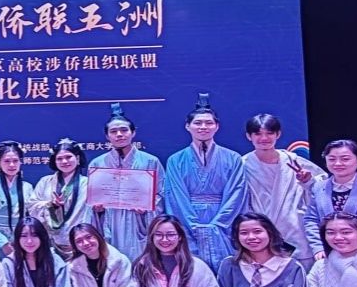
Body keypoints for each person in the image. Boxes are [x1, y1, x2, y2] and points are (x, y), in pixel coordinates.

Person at [164, 95, 247, 273]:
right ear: (188, 126)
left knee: (227, 272)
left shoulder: (233, 158)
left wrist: (218, 224)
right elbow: (176, 197)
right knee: (192, 274)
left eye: (209, 123)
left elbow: (237, 193)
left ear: (217, 126)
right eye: (198, 123)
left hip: (223, 223)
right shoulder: (175, 160)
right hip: (188, 224)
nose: (203, 127)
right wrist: (193, 226)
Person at [241, 114, 326, 267]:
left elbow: (322, 190)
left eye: (269, 133)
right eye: (258, 134)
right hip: (261, 233)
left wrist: (307, 181)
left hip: (295, 228)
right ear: (249, 136)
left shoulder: (293, 161)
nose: (264, 138)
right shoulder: (243, 165)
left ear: (278, 134)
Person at [88, 104, 165, 261]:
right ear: (107, 136)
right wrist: (97, 210)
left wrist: (147, 207)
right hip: (111, 220)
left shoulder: (150, 161)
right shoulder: (97, 164)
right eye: (113, 131)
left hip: (139, 221)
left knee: (142, 262)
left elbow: (161, 194)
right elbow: (92, 200)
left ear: (133, 132)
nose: (119, 135)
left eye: (124, 130)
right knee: (113, 263)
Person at [30, 139, 91, 258]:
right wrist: (49, 204)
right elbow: (32, 206)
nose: (64, 161)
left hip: (80, 242)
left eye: (68, 157)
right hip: (49, 243)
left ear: (77, 158)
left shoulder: (88, 183)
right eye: (59, 158)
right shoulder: (45, 182)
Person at [0, 141, 35, 258]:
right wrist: (2, 243)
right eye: (7, 161)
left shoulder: (27, 187)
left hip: (21, 242)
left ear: (20, 162)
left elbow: (32, 216)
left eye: (15, 161)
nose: (11, 165)